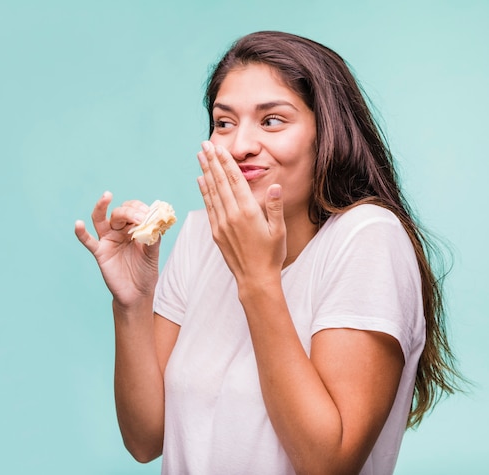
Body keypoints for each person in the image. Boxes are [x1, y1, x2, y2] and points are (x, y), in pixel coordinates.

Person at [75, 31, 463, 475]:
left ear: (326, 133)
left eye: (272, 120)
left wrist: (258, 280)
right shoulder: (202, 237)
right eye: (224, 123)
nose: (240, 146)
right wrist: (133, 303)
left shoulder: (368, 237)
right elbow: (146, 439)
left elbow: (329, 463)